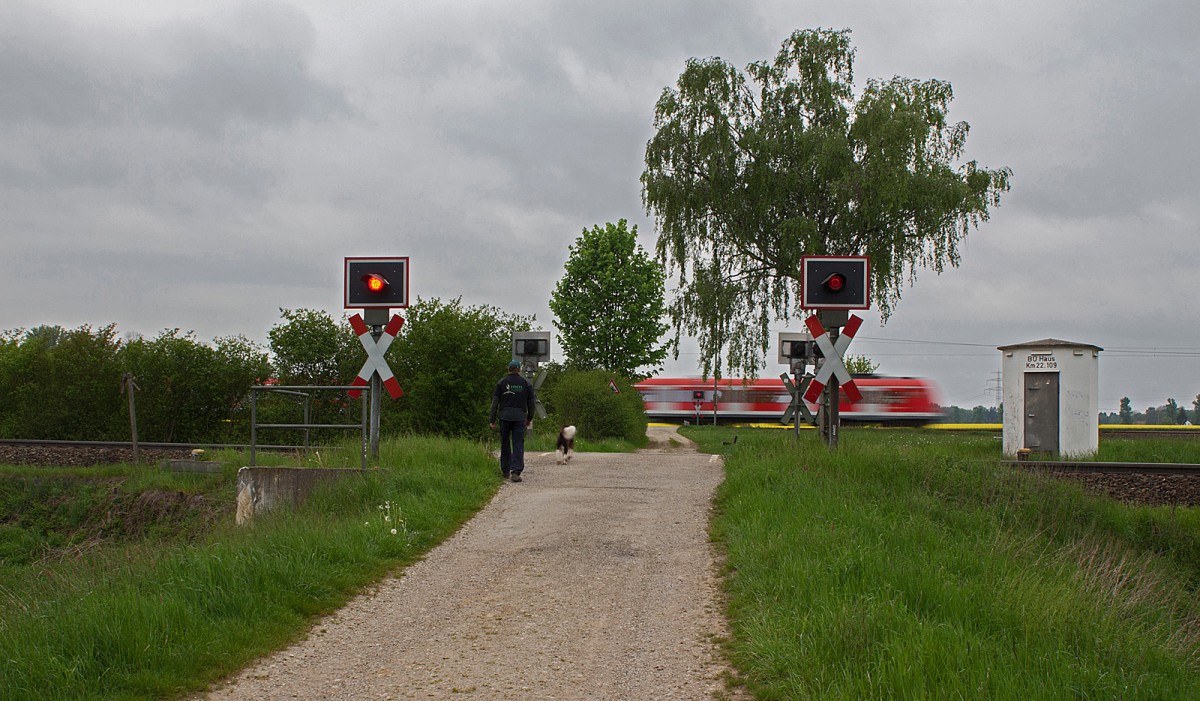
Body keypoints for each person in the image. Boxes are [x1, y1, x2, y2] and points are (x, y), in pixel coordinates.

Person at [489, 359, 536, 482]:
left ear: (508, 369)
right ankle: (516, 472)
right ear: (519, 369)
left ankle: (505, 471)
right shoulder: (526, 384)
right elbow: (532, 404)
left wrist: (492, 419)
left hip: (504, 417)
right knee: (518, 444)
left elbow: (494, 403)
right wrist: (529, 418)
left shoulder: (501, 383)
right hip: (520, 417)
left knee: (505, 443)